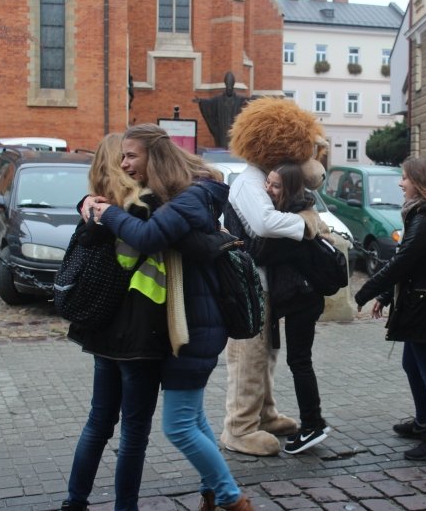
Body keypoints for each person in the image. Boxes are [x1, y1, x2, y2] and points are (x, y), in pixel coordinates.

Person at [88, 124, 254, 511]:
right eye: (122, 156)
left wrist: (107, 212)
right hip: (193, 320)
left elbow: (146, 237)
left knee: (177, 426)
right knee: (193, 419)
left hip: (195, 325)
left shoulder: (188, 200)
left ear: (156, 157)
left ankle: (232, 499)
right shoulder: (183, 196)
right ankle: (213, 493)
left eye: (131, 155)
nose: (124, 163)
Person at [61, 133, 167, 511]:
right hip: (140, 334)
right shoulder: (145, 206)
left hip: (102, 326)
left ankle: (75, 501)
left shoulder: (95, 206)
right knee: (134, 433)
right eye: (125, 155)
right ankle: (126, 507)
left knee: (98, 421)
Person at [354, 157, 426, 461]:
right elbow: (409, 261)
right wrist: (386, 295)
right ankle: (424, 422)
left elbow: (403, 261)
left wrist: (366, 291)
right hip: (418, 303)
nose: (401, 184)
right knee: (412, 365)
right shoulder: (422, 213)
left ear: (421, 182)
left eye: (405, 178)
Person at [249, 164, 332, 454]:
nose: (267, 190)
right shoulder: (294, 213)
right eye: (268, 183)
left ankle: (312, 425)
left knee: (299, 362)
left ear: (291, 189)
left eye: (275, 186)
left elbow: (259, 251)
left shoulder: (292, 221)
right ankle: (315, 421)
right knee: (300, 361)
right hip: (302, 297)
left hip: (303, 299)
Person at [194, 71, 251, 148]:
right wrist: (201, 102)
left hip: (234, 131)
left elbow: (249, 101)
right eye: (228, 86)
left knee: (234, 146)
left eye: (231, 86)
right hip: (223, 130)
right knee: (223, 145)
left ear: (233, 85)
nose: (229, 88)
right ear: (225, 85)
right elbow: (209, 103)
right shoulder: (219, 100)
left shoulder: (239, 100)